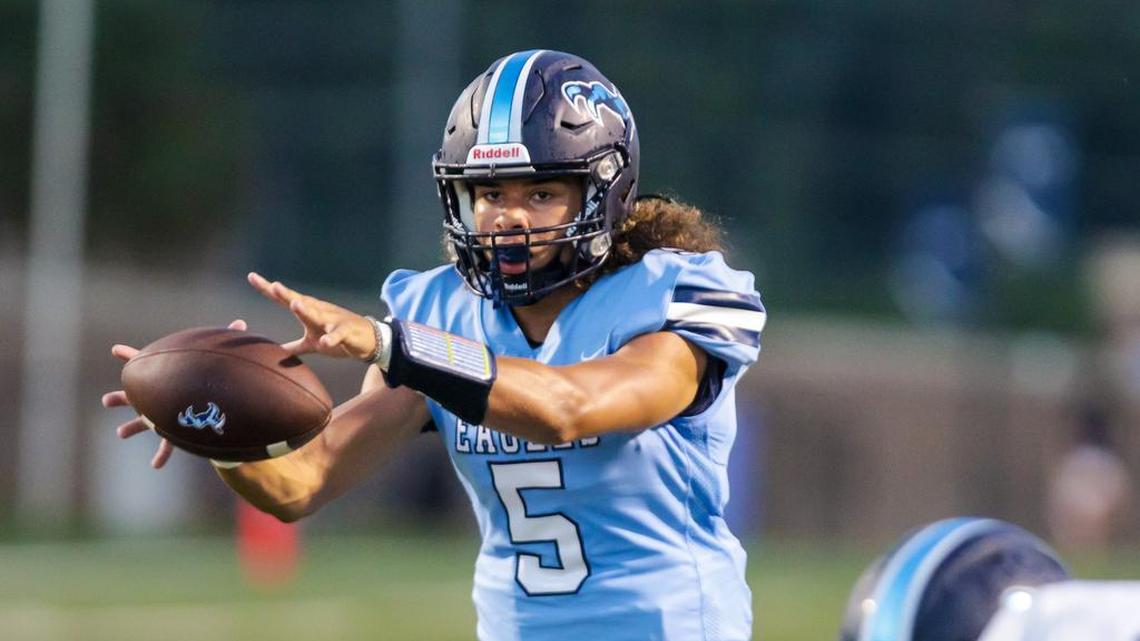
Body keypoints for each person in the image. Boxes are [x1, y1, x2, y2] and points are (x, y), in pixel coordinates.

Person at [104, 49, 767, 641]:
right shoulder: (440, 312)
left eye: (540, 191)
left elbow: (572, 407)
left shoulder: (674, 295)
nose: (509, 216)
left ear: (604, 192)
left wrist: (393, 346)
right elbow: (303, 479)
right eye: (490, 192)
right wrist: (217, 419)